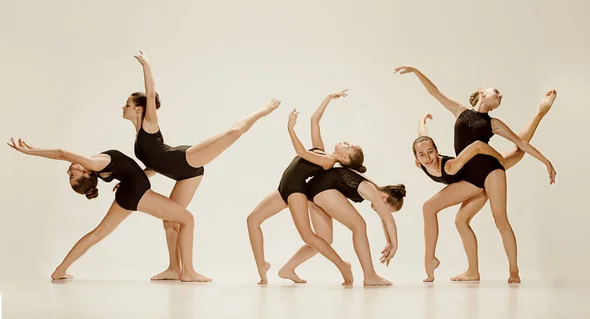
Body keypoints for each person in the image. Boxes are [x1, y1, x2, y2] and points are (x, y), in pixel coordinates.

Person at [124, 51, 279, 280]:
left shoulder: (149, 122)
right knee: (170, 219)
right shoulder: (138, 137)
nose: (123, 107)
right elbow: (153, 166)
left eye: (127, 104)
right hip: (186, 176)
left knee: (233, 132)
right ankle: (177, 269)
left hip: (187, 159)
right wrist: (132, 179)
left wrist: (146, 66)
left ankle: (263, 110)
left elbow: (149, 93)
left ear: (139, 108)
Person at [395, 65, 556, 283]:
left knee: (500, 216)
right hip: (469, 176)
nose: (500, 95)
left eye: (500, 95)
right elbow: (434, 93)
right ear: (482, 93)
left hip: (489, 169)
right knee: (461, 220)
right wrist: (415, 72)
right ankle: (473, 271)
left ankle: (514, 271)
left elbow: (520, 142)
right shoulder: (460, 112)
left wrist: (545, 161)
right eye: (495, 91)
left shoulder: (493, 123)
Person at [7, 138, 208, 282]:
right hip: (138, 195)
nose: (69, 170)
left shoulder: (100, 169)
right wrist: (30, 151)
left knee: (97, 234)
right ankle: (188, 271)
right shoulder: (95, 163)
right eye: (72, 175)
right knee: (187, 219)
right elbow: (61, 152)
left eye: (70, 174)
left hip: (129, 195)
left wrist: (153, 168)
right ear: (85, 171)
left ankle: (59, 271)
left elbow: (135, 172)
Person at [247, 91, 365, 286]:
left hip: (296, 191)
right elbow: (314, 121)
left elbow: (301, 152)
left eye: (349, 146)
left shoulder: (327, 161)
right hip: (283, 189)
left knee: (308, 235)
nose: (346, 142)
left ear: (345, 159)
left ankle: (343, 266)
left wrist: (290, 129)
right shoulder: (321, 149)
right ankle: (263, 266)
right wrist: (328, 98)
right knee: (252, 220)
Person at [279, 166, 406, 286]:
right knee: (359, 226)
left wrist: (389, 241)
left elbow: (384, 218)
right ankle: (370, 275)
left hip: (315, 189)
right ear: (384, 198)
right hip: (323, 188)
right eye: (385, 209)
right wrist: (395, 245)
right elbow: (388, 219)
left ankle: (288, 269)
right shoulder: (372, 190)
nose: (379, 211)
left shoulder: (373, 189)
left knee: (324, 240)